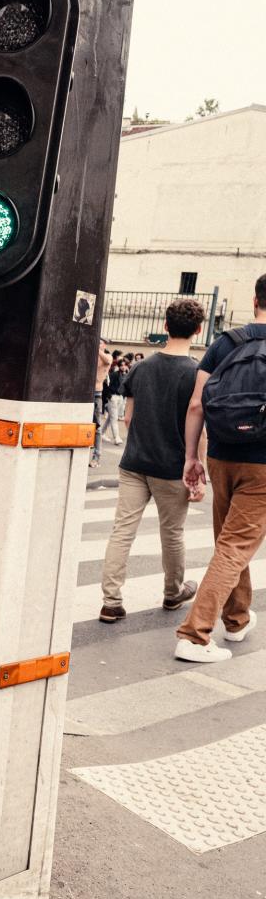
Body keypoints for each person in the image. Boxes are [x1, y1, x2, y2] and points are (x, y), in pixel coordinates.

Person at [174, 274, 266, 662]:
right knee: (235, 546)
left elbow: (197, 404)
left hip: (221, 454)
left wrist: (191, 457)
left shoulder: (226, 342)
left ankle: (238, 619)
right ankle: (194, 635)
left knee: (229, 542)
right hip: (262, 464)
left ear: (254, 298)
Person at [98, 299, 206, 624]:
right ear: (199, 330)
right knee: (172, 533)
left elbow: (128, 419)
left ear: (164, 326)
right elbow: (198, 427)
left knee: (122, 531)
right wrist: (199, 469)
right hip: (172, 468)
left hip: (134, 464)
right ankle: (173, 593)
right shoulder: (195, 374)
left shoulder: (140, 368)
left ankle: (111, 602)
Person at [91, 339, 112, 469]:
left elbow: (108, 361)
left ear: (104, 345)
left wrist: (97, 348)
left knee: (97, 427)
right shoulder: (92, 355)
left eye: (100, 342)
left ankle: (96, 457)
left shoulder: (107, 356)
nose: (97, 344)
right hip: (85, 393)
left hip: (97, 393)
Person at [103, 352, 126, 444]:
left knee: (111, 417)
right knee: (114, 418)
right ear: (118, 366)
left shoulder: (124, 375)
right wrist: (109, 396)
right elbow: (106, 385)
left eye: (124, 365)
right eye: (122, 365)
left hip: (120, 397)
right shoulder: (114, 374)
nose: (123, 367)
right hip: (113, 397)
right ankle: (116, 437)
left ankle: (102, 432)